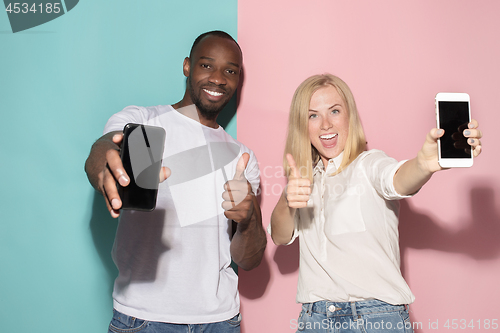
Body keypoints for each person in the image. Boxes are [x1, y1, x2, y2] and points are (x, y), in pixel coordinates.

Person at [84, 30, 267, 333]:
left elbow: (249, 259)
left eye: (230, 71)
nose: (219, 78)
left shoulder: (241, 157)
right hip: (142, 319)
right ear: (187, 66)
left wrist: (249, 218)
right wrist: (103, 160)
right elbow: (104, 150)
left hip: (219, 321)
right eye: (207, 65)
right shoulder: (143, 123)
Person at [270, 74, 482, 333]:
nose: (325, 124)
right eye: (313, 115)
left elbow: (397, 179)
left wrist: (423, 166)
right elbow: (280, 237)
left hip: (375, 320)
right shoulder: (304, 181)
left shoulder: (369, 164)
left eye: (334, 111)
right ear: (302, 125)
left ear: (350, 116)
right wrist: (286, 199)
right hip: (315, 319)